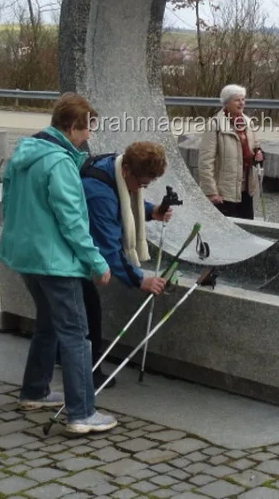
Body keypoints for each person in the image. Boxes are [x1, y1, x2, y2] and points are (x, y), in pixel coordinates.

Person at [0, 93, 118, 435]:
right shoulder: (60, 163)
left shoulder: (24, 153)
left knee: (48, 323)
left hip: (25, 255)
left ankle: (34, 390)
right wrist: (97, 262)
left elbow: (7, 202)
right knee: (76, 334)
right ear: (71, 127)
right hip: (54, 262)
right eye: (86, 129)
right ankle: (81, 413)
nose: (89, 136)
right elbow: (73, 221)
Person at [80, 142, 171, 388]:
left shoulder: (114, 165)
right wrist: (139, 279)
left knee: (73, 313)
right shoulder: (99, 193)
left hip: (70, 251)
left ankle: (65, 358)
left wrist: (151, 211)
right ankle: (88, 373)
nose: (141, 189)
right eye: (141, 184)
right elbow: (108, 248)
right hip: (65, 256)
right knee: (88, 312)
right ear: (127, 170)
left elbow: (124, 199)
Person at [199, 84, 264, 219]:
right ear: (226, 103)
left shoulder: (248, 123)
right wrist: (211, 192)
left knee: (246, 229)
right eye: (237, 100)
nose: (241, 103)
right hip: (224, 193)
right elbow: (205, 162)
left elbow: (256, 147)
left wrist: (259, 154)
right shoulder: (214, 124)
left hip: (246, 191)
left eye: (243, 99)